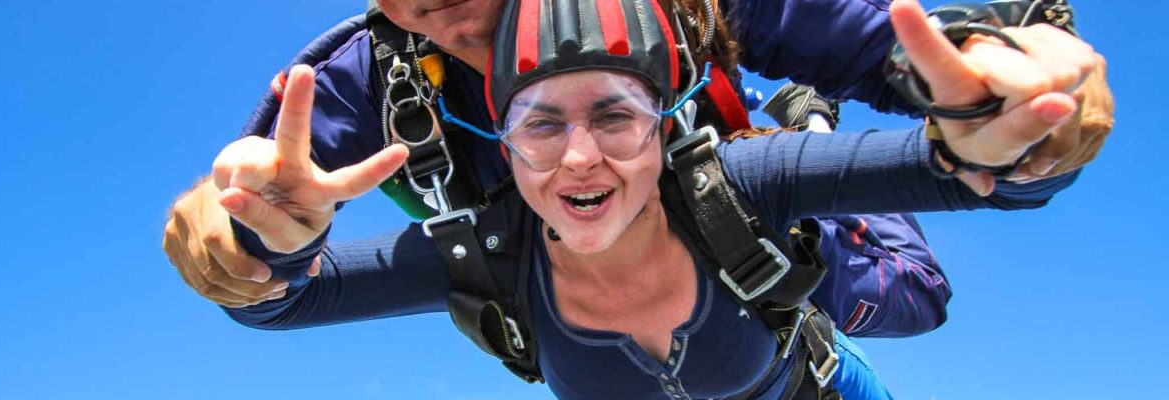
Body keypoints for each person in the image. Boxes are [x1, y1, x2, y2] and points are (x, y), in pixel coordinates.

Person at [192, 0, 1100, 398]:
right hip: (583, 310)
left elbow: (908, 65)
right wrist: (241, 247)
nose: (577, 153)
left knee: (904, 298)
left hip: (760, 246)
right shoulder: (360, 88)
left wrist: (1014, 114)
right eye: (538, 123)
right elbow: (256, 233)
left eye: (612, 112)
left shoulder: (702, 31)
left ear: (659, 102)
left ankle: (808, 133)